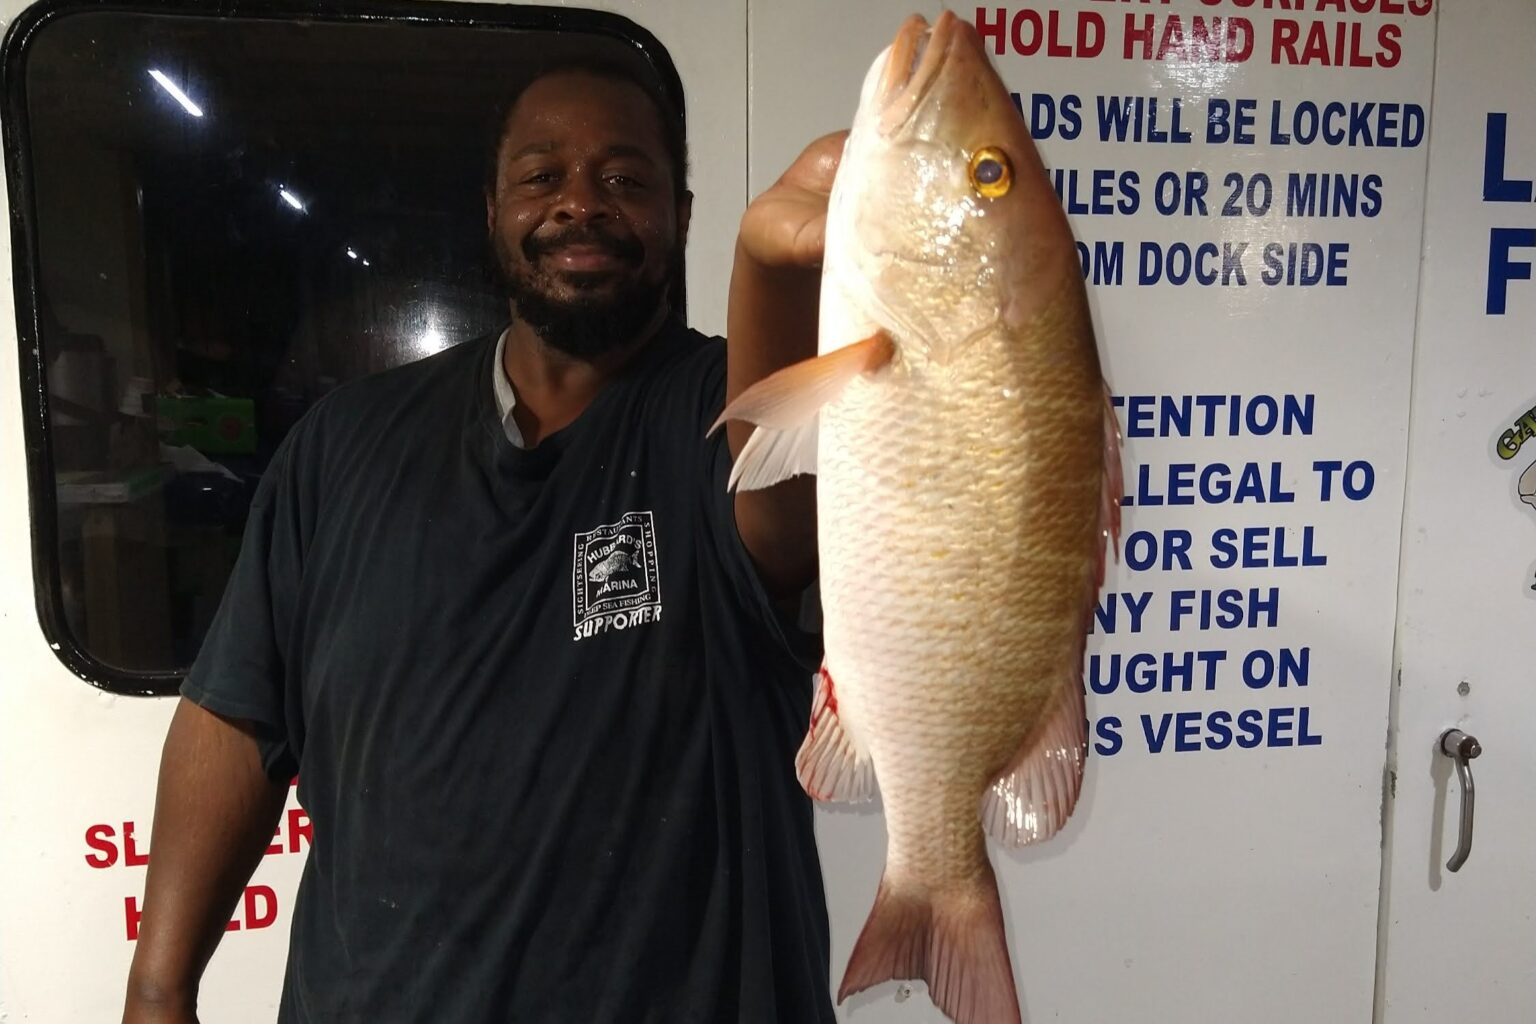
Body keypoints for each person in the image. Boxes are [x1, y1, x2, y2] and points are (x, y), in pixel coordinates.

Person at [122, 49, 846, 1024]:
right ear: (492, 210)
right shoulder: (344, 442)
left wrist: (766, 260)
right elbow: (236, 712)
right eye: (542, 175)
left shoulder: (718, 414)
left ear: (679, 212)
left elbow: (779, 499)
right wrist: (158, 988)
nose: (580, 203)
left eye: (625, 179)